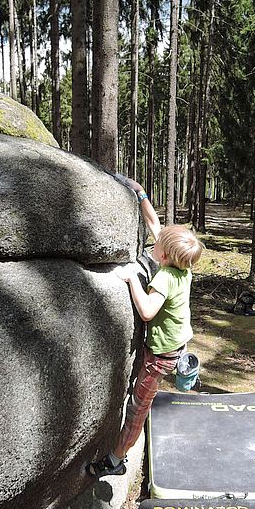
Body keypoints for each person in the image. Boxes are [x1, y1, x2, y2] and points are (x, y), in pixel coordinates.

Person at [87, 178, 204, 478]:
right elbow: (155, 223)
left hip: (160, 357)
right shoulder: (184, 266)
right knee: (145, 390)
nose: (155, 240)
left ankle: (115, 459)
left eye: (159, 245)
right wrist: (141, 193)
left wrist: (131, 280)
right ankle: (184, 370)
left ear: (164, 256)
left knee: (138, 408)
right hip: (177, 342)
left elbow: (148, 312)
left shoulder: (165, 277)